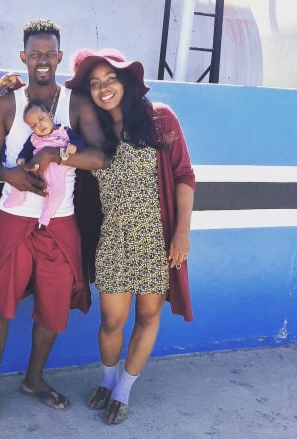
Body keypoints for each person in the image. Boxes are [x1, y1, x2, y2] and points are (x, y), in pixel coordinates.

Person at [0, 18, 103, 423]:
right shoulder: (8, 101)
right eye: (35, 54)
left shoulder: (76, 102)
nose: (42, 60)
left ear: (59, 57)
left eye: (50, 54)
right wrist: (10, 173)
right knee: (1, 308)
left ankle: (34, 378)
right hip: (14, 217)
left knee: (54, 308)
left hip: (60, 222)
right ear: (24, 57)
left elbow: (99, 158)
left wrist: (54, 156)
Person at [58, 48, 196, 425]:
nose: (103, 88)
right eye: (95, 83)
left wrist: (182, 232)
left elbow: (184, 176)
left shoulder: (160, 120)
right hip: (113, 240)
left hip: (156, 238)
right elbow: (49, 136)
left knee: (148, 315)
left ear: (127, 81)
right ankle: (106, 379)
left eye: (110, 79)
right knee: (111, 321)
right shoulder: (94, 134)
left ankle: (124, 389)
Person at [3, 102, 83, 227]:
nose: (39, 125)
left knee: (58, 192)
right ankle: (17, 196)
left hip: (57, 168)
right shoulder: (34, 138)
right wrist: (22, 158)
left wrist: (75, 145)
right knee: (20, 175)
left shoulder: (64, 130)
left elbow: (79, 139)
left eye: (41, 119)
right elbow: (27, 149)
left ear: (50, 115)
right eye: (34, 125)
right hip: (36, 165)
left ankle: (46, 215)